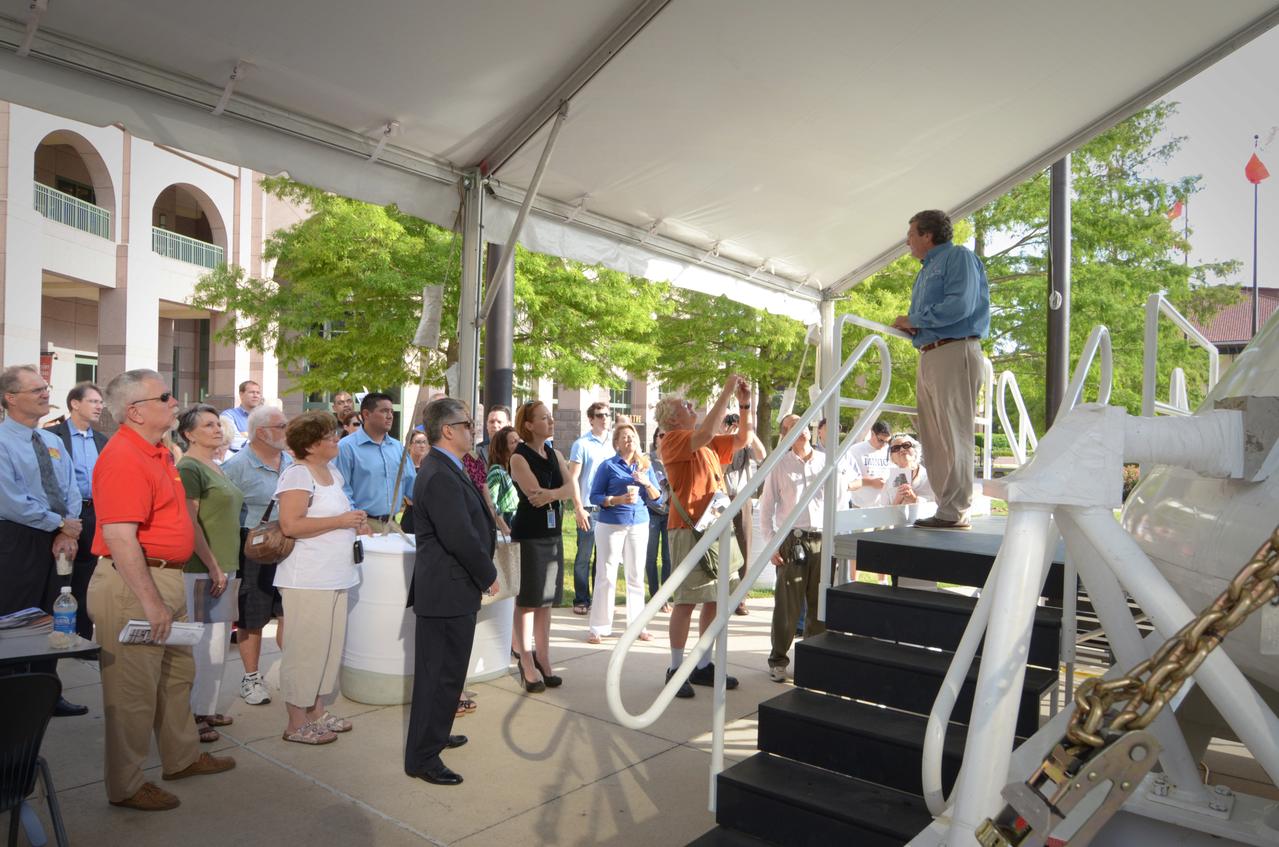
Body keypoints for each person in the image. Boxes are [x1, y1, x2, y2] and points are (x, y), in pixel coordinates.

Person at [88, 369, 235, 811]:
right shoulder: (124, 458)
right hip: (136, 584)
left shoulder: (158, 452)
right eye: (165, 397)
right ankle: (128, 785)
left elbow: (180, 519)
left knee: (175, 678)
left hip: (164, 578)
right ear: (135, 411)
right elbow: (119, 537)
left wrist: (204, 564)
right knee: (132, 695)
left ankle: (182, 757)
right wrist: (152, 603)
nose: (175, 403)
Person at [404, 398, 499, 786]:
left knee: (448, 673)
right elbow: (459, 536)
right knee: (438, 676)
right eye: (466, 424)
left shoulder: (447, 467)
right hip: (447, 589)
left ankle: (437, 735)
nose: (472, 429)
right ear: (447, 430)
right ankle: (423, 757)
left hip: (451, 589)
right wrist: (488, 573)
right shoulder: (440, 473)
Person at [275, 411, 369, 745]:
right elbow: (291, 525)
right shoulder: (298, 475)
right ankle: (296, 721)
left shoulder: (330, 473)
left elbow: (335, 517)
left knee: (328, 649)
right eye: (330, 436)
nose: (336, 439)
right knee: (305, 650)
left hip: (336, 574)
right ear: (312, 445)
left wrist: (355, 522)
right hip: (308, 578)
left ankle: (315, 711)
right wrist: (342, 521)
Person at [892, 209, 990, 530]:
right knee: (933, 437)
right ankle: (945, 507)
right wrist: (914, 329)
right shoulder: (925, 270)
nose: (907, 241)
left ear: (927, 235)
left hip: (954, 348)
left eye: (911, 235)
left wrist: (915, 321)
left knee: (953, 433)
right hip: (930, 352)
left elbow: (960, 305)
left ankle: (955, 511)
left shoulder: (958, 257)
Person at [656, 375, 752, 699]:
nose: (691, 405)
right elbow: (708, 432)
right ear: (671, 418)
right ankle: (675, 668)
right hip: (686, 530)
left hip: (712, 526)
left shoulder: (705, 443)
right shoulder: (672, 439)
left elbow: (742, 439)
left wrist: (744, 403)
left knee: (714, 597)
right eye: (685, 405)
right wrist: (726, 390)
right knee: (686, 601)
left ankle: (702, 666)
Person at [0, 365, 87, 716]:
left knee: (55, 614)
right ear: (10, 397)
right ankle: (12, 697)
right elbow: (10, 499)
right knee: (17, 616)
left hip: (60, 536)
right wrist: (59, 524)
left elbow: (71, 488)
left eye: (45, 387)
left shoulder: (52, 440)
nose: (45, 393)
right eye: (36, 389)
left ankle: (47, 693)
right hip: (18, 538)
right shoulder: (3, 442)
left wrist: (67, 529)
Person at [174, 404, 244, 741]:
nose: (217, 430)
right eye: (208, 425)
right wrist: (213, 566)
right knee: (202, 642)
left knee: (218, 641)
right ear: (189, 433)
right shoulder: (189, 468)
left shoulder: (215, 465)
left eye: (218, 424)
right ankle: (194, 713)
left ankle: (207, 706)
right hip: (203, 569)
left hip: (224, 566)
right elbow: (190, 523)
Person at [221, 405, 291, 706]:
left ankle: (290, 672)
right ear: (262, 432)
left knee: (288, 611)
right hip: (254, 549)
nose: (287, 431)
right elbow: (223, 514)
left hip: (289, 547)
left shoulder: (291, 462)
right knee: (252, 616)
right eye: (282, 426)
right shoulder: (236, 466)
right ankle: (251, 678)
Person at [508, 400, 580, 693]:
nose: (550, 422)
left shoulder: (555, 453)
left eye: (550, 418)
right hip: (528, 535)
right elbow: (532, 493)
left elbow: (571, 489)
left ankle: (544, 658)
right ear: (528, 424)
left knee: (547, 601)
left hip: (552, 534)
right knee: (527, 601)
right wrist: (556, 493)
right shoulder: (519, 457)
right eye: (544, 418)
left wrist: (553, 494)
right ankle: (525, 661)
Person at [757, 414, 828, 683]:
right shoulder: (779, 465)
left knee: (819, 605)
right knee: (787, 607)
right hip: (792, 540)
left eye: (804, 425)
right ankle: (778, 660)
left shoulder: (825, 461)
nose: (801, 431)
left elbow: (839, 500)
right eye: (793, 427)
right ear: (784, 435)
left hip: (822, 538)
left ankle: (813, 660)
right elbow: (766, 510)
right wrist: (772, 542)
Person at [586, 422, 661, 644]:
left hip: (639, 523)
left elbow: (658, 498)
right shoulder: (607, 466)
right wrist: (618, 500)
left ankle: (638, 626)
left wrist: (647, 483)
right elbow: (595, 496)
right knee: (606, 575)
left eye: (633, 436)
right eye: (625, 437)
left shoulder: (645, 466)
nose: (630, 440)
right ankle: (598, 627)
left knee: (636, 576)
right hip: (611, 525)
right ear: (617, 443)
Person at [48, 381, 108, 640]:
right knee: (58, 575)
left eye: (100, 402)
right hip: (61, 516)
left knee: (86, 576)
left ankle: (81, 637)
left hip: (93, 514)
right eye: (93, 401)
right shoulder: (52, 436)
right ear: (75, 403)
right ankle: (54, 632)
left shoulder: (102, 440)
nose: (99, 407)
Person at [335, 392, 415, 532]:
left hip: (393, 525)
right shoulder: (346, 447)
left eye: (391, 411)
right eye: (384, 411)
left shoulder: (398, 448)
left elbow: (412, 486)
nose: (390, 416)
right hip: (361, 526)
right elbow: (341, 490)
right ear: (366, 414)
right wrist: (358, 522)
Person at [567, 401, 614, 615]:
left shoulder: (615, 443)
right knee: (584, 557)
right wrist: (578, 508)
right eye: (599, 414)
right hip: (588, 508)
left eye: (607, 414)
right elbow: (573, 478)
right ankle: (581, 599)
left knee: (604, 558)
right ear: (591, 419)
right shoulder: (581, 444)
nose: (604, 418)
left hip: (610, 508)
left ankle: (599, 599)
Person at [721, 411, 766, 616]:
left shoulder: (748, 445)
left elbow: (762, 454)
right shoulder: (719, 443)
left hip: (743, 497)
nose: (734, 426)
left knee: (744, 548)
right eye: (730, 423)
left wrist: (747, 431)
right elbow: (719, 470)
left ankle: (740, 599)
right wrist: (725, 438)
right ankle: (720, 595)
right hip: (722, 499)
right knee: (720, 548)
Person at [644, 429, 672, 608]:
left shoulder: (674, 457)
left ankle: (665, 597)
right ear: (655, 439)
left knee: (668, 557)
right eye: (661, 435)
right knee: (651, 556)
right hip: (652, 512)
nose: (664, 438)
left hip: (670, 513)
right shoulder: (648, 460)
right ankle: (655, 596)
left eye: (667, 435)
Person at [845, 420, 893, 508]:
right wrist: (871, 482)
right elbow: (847, 479)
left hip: (883, 505)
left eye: (887, 441)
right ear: (872, 433)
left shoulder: (890, 451)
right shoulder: (855, 450)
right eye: (881, 440)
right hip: (860, 505)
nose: (883, 444)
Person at [879, 433, 934, 506]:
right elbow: (883, 512)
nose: (902, 449)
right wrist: (897, 500)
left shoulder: (931, 477)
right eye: (896, 448)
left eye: (906, 445)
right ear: (892, 458)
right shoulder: (889, 483)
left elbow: (940, 505)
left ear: (915, 451)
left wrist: (914, 499)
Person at [486, 425, 521, 527]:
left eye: (519, 440)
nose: (520, 444)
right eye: (514, 442)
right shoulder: (497, 471)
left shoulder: (518, 469)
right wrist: (503, 527)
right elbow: (490, 504)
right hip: (507, 523)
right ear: (502, 449)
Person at [220, 380, 263, 454]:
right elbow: (234, 442)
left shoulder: (265, 417)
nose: (255, 395)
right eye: (251, 392)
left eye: (258, 393)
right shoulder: (228, 416)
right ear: (241, 394)